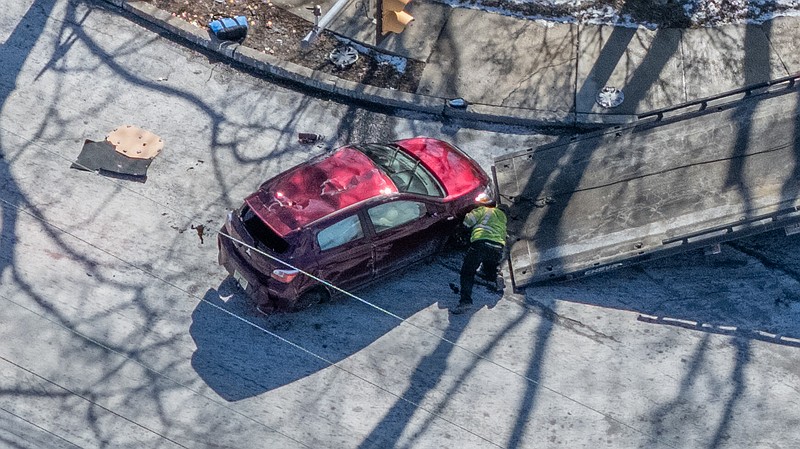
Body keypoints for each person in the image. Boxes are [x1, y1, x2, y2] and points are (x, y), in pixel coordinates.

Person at [451, 192, 508, 314]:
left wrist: (460, 231)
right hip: (497, 247)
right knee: (488, 265)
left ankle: (465, 301)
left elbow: (467, 223)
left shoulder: (482, 210)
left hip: (480, 244)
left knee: (467, 272)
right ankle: (495, 275)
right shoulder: (501, 216)